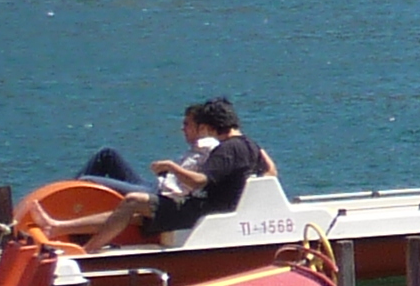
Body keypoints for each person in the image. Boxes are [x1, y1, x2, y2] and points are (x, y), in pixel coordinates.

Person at [73, 100, 278, 249]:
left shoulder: (227, 149)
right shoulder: (251, 145)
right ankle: (67, 230)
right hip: (213, 208)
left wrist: (172, 167)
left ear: (212, 127)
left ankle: (87, 250)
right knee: (137, 205)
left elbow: (199, 181)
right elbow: (271, 172)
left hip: (199, 211)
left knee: (133, 201)